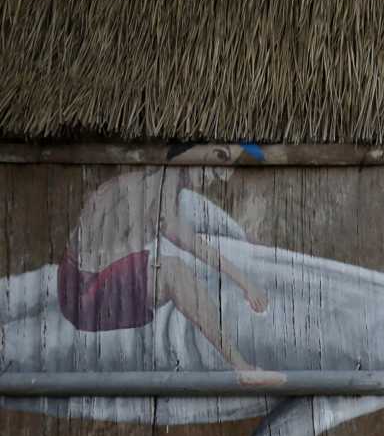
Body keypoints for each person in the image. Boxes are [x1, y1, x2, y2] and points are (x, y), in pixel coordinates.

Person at [58, 143, 280, 383]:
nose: (223, 179)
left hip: (91, 284)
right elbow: (93, 256)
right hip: (85, 293)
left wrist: (245, 283)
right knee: (174, 271)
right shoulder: (144, 188)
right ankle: (242, 368)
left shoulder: (160, 189)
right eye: (221, 166)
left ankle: (242, 367)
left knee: (174, 264)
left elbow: (192, 242)